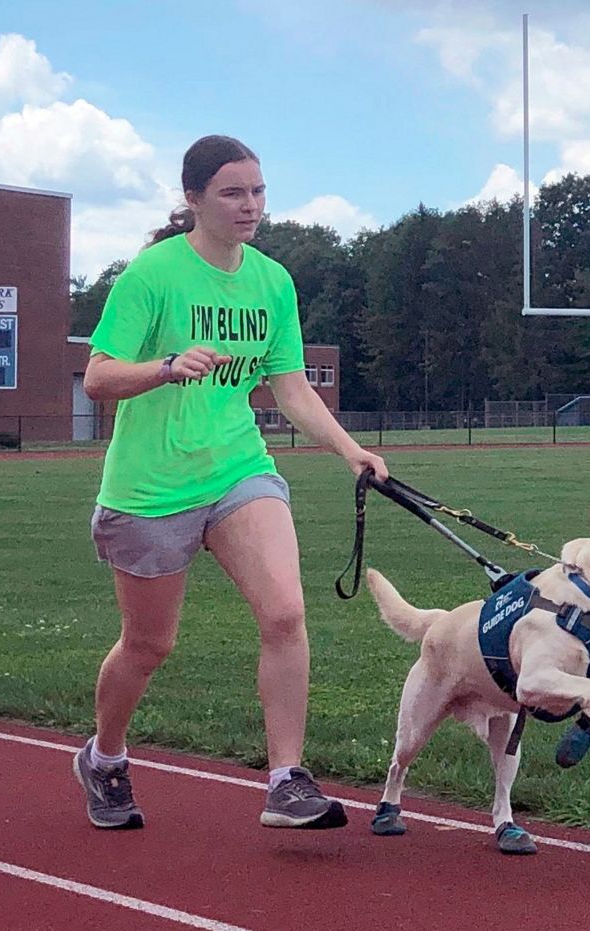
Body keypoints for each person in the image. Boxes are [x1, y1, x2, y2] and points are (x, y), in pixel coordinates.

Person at [73, 134, 388, 831]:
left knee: (284, 612)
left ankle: (286, 780)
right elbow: (97, 377)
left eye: (258, 191)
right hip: (150, 488)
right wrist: (163, 366)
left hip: (238, 469)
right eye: (233, 193)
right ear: (193, 199)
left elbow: (291, 389)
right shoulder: (153, 275)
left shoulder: (272, 282)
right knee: (149, 645)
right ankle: (103, 756)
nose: (251, 206)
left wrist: (349, 449)